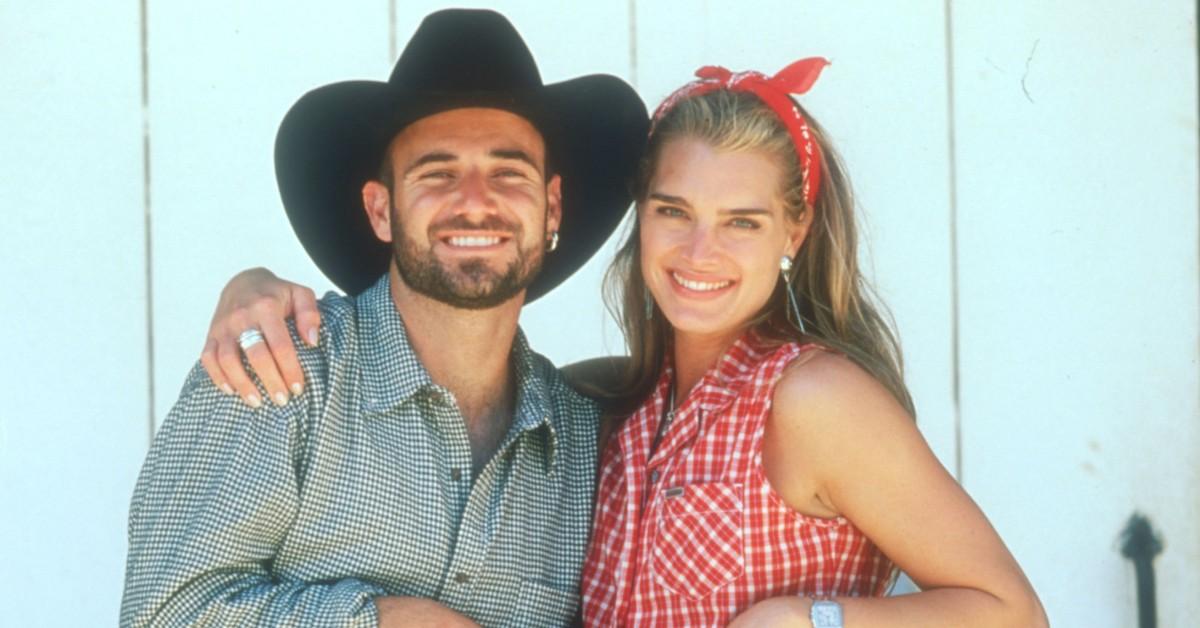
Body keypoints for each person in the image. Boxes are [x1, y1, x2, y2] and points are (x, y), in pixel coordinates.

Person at [199, 64, 1047, 627]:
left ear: (794, 231)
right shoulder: (604, 410)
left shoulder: (814, 400)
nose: (699, 252)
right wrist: (253, 285)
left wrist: (806, 620)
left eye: (741, 223)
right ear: (640, 217)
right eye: (674, 211)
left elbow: (1009, 611)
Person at [119, 9, 647, 628]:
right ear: (380, 210)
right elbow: (164, 612)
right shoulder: (277, 373)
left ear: (551, 207)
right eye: (438, 173)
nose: (476, 202)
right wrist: (386, 620)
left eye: (508, 171)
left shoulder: (588, 441)